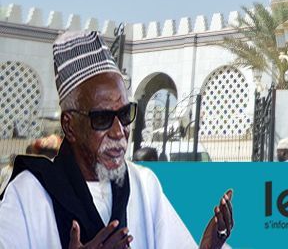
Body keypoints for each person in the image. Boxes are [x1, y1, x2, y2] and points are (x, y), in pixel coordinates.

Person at [0, 30, 234, 249]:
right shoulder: (27, 194)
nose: (118, 131)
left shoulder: (143, 185)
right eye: (102, 118)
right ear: (69, 126)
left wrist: (208, 247)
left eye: (124, 114)